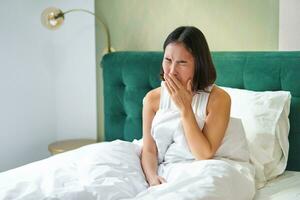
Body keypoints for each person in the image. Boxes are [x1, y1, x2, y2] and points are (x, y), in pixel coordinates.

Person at [139, 26, 255, 199]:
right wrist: (152, 179)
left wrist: (185, 108)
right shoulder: (152, 99)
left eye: (182, 63)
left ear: (199, 64)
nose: (171, 71)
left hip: (207, 166)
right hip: (167, 166)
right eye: (168, 60)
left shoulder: (219, 99)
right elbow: (149, 150)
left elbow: (204, 154)